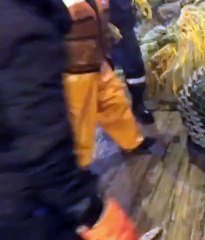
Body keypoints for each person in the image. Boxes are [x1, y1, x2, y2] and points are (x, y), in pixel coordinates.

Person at [0, 0, 141, 239]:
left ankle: (133, 141)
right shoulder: (21, 30)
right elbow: (41, 139)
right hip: (25, 205)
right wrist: (88, 208)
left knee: (112, 103)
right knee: (80, 124)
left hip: (95, 63)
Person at [63, 0, 162, 168]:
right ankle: (78, 166)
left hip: (97, 59)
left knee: (113, 101)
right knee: (80, 118)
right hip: (74, 68)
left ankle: (131, 142)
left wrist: (106, 28)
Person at [110, 0, 155, 124]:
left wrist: (141, 2)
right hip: (97, 27)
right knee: (105, 72)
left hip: (124, 21)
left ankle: (138, 104)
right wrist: (103, 24)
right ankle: (112, 114)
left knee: (135, 65)